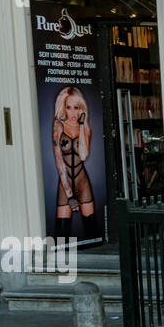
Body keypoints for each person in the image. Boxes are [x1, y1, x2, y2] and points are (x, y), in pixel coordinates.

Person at [52, 86, 96, 240]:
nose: (72, 112)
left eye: (76, 108)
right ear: (64, 107)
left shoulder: (86, 130)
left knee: (91, 233)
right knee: (62, 236)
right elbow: (59, 161)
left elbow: (83, 156)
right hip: (65, 183)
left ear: (81, 109)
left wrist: (83, 125)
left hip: (82, 181)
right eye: (69, 107)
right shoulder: (58, 126)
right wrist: (70, 195)